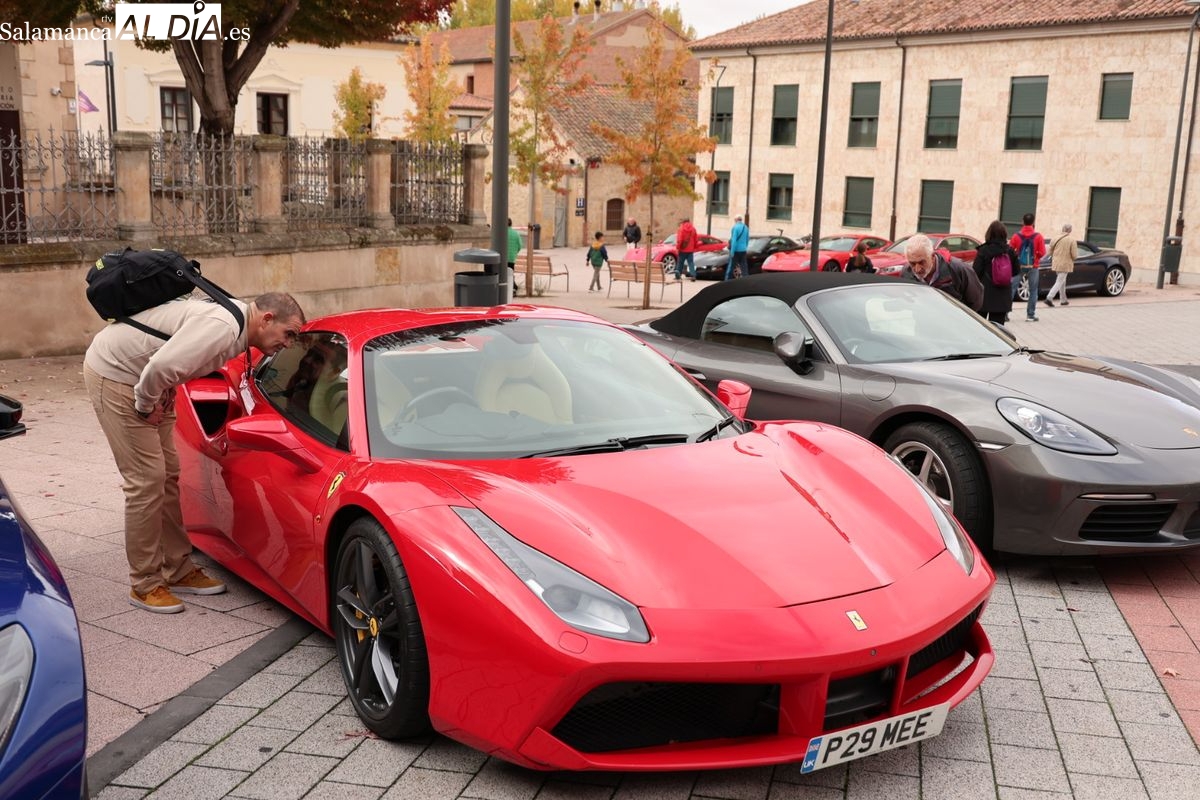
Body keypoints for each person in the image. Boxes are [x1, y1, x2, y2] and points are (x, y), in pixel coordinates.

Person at [83, 291, 306, 614]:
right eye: (288, 334)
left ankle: (177, 569)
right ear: (267, 319)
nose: (288, 344)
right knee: (146, 481)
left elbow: (169, 363)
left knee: (168, 475)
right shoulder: (224, 328)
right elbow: (159, 367)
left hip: (148, 381)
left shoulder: (236, 324)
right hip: (117, 375)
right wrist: (146, 405)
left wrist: (160, 395)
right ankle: (145, 584)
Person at [900, 233, 983, 311]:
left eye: (921, 262)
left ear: (932, 256)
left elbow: (976, 301)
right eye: (912, 263)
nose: (917, 269)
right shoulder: (906, 272)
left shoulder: (958, 269)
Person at [971, 220, 1018, 324]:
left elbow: (975, 272)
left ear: (989, 233)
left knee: (980, 326)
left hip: (984, 296)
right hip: (1002, 297)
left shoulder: (983, 250)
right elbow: (1016, 271)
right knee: (997, 329)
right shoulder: (1010, 251)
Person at [1009, 212, 1046, 321]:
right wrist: (1035, 257)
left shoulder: (1016, 236)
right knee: (1033, 290)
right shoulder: (1038, 236)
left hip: (1018, 266)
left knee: (1012, 289)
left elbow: (1010, 250)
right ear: (1033, 222)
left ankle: (1005, 313)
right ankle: (1030, 315)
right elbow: (1042, 252)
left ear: (1022, 222)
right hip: (1033, 266)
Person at [1046, 223, 1078, 307]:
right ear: (1070, 230)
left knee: (1062, 281)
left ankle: (1063, 300)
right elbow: (1074, 255)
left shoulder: (1055, 238)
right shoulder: (1072, 240)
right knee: (1060, 281)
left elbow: (1050, 252)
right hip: (1065, 264)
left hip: (1056, 263)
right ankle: (1049, 297)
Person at [726, 215, 749, 279]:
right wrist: (745, 247)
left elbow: (734, 241)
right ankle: (746, 280)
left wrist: (732, 252)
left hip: (736, 251)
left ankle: (727, 280)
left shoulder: (735, 227)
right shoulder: (746, 227)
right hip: (743, 250)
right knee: (744, 267)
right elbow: (747, 239)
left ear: (736, 220)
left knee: (731, 267)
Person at [506, 218, 523, 295]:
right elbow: (520, 245)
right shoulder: (516, 234)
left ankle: (513, 287)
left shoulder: (501, 232)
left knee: (503, 274)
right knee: (510, 273)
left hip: (502, 258)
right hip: (511, 258)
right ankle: (513, 288)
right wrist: (514, 252)